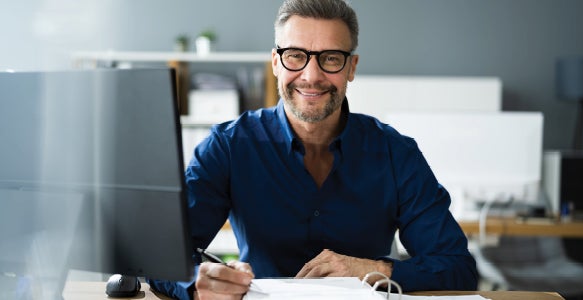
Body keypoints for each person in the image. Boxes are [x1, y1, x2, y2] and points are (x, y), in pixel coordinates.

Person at [150, 0, 478, 298]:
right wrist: (198, 282)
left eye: (331, 59)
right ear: (276, 62)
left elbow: (457, 268)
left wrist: (373, 270)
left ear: (351, 67)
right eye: (296, 56)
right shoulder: (228, 146)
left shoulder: (396, 153)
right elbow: (161, 257)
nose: (311, 75)